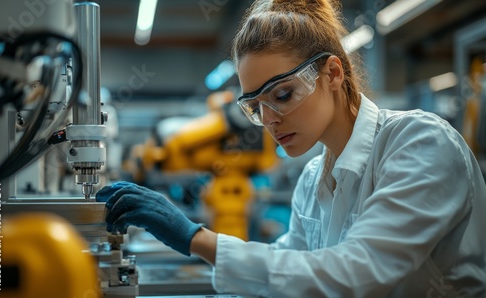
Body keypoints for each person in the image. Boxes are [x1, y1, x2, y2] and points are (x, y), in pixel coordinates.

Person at [96, 0, 486, 296]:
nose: (269, 120)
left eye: (282, 95)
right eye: (255, 106)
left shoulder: (420, 143)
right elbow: (293, 274)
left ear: (332, 73)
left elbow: (360, 274)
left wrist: (195, 238)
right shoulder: (314, 177)